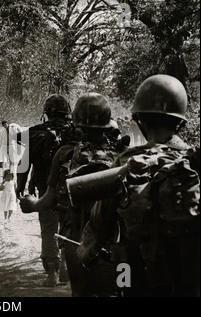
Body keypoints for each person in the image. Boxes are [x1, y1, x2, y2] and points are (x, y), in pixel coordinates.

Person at [77, 74, 200, 297]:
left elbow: (98, 227)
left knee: (122, 283)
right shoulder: (194, 163)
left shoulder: (126, 163)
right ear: (180, 120)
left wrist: (87, 253)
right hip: (187, 276)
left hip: (130, 272)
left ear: (139, 119)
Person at [20, 92, 121, 296]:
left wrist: (29, 203)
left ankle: (52, 270)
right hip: (113, 246)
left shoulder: (65, 152)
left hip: (75, 238)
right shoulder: (123, 156)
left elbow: (46, 198)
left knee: (81, 290)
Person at [16, 94, 75, 287]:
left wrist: (20, 186)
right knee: (69, 227)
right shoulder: (76, 133)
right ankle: (66, 266)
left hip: (44, 188)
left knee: (48, 230)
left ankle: (52, 272)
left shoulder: (35, 134)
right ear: (67, 112)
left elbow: (24, 165)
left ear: (47, 113)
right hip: (71, 189)